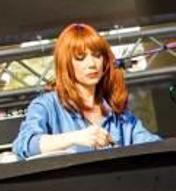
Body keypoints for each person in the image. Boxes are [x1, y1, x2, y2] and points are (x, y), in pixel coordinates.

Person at [12, 23, 160, 160]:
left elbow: (154, 146)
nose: (91, 64)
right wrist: (74, 137)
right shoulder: (46, 105)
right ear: (66, 64)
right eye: (80, 58)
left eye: (97, 55)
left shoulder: (118, 113)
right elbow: (24, 145)